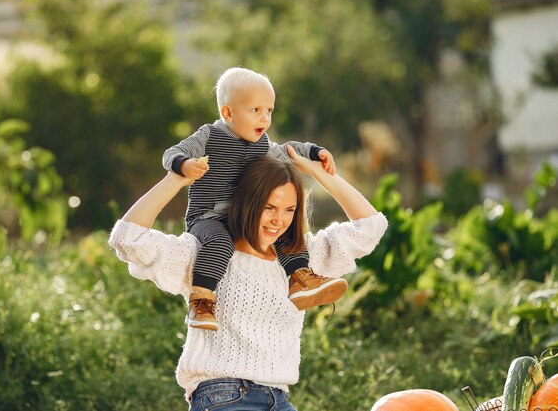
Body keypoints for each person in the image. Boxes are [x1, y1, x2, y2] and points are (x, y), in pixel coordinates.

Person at [109, 148, 388, 410]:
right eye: (269, 208)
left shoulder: (301, 263)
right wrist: (175, 178)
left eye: (289, 210)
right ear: (246, 203)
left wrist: (321, 174)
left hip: (278, 398)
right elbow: (127, 239)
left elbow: (370, 227)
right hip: (224, 396)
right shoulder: (208, 254)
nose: (278, 221)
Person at [163, 66, 344, 331]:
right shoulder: (210, 136)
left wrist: (315, 152)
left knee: (284, 229)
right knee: (220, 242)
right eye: (256, 110)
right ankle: (201, 300)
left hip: (244, 216)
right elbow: (172, 153)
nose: (265, 118)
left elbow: (286, 151)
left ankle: (300, 278)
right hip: (208, 217)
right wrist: (185, 164)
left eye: (269, 110)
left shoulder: (260, 143)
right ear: (228, 113)